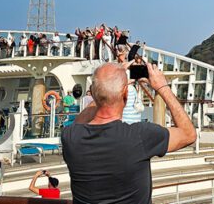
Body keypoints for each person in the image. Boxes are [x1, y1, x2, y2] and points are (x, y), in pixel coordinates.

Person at [62, 61, 196, 204]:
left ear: (93, 93)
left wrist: (105, 87)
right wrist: (162, 87)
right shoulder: (140, 136)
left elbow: (81, 121)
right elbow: (188, 134)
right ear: (125, 94)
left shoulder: (70, 137)